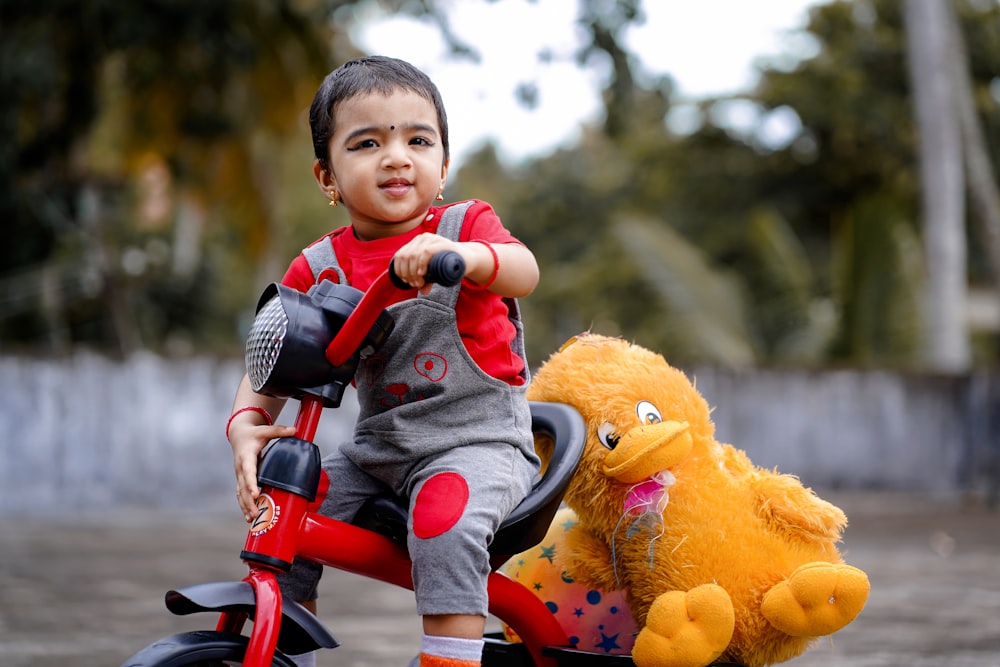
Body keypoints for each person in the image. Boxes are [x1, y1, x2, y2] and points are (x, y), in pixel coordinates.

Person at [225, 55, 541, 667]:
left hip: (479, 443)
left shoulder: (465, 225)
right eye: (368, 142)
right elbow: (270, 356)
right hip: (380, 453)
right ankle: (284, 652)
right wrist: (244, 424)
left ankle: (448, 658)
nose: (397, 156)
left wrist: (465, 257)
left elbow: (524, 271)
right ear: (328, 178)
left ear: (443, 164)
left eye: (417, 140)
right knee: (285, 506)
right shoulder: (318, 269)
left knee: (446, 517)